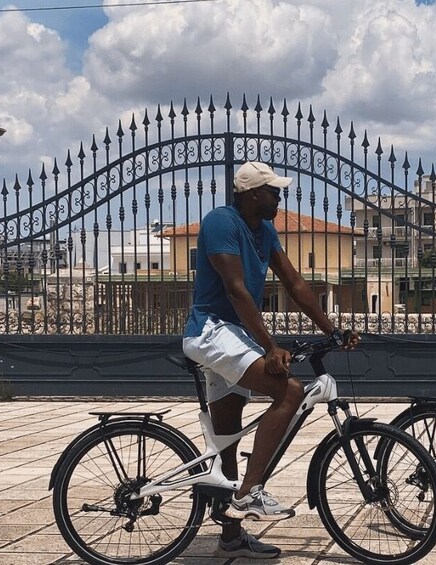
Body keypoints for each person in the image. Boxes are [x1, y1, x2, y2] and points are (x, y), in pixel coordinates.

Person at [182, 161, 359, 558]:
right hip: (211, 331)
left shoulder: (264, 231)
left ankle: (230, 534)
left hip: (232, 336)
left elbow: (294, 283)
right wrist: (268, 346)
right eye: (273, 190)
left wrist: (331, 330)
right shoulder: (220, 222)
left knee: (227, 436)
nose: (280, 196)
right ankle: (249, 492)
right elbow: (236, 290)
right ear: (251, 194)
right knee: (290, 392)